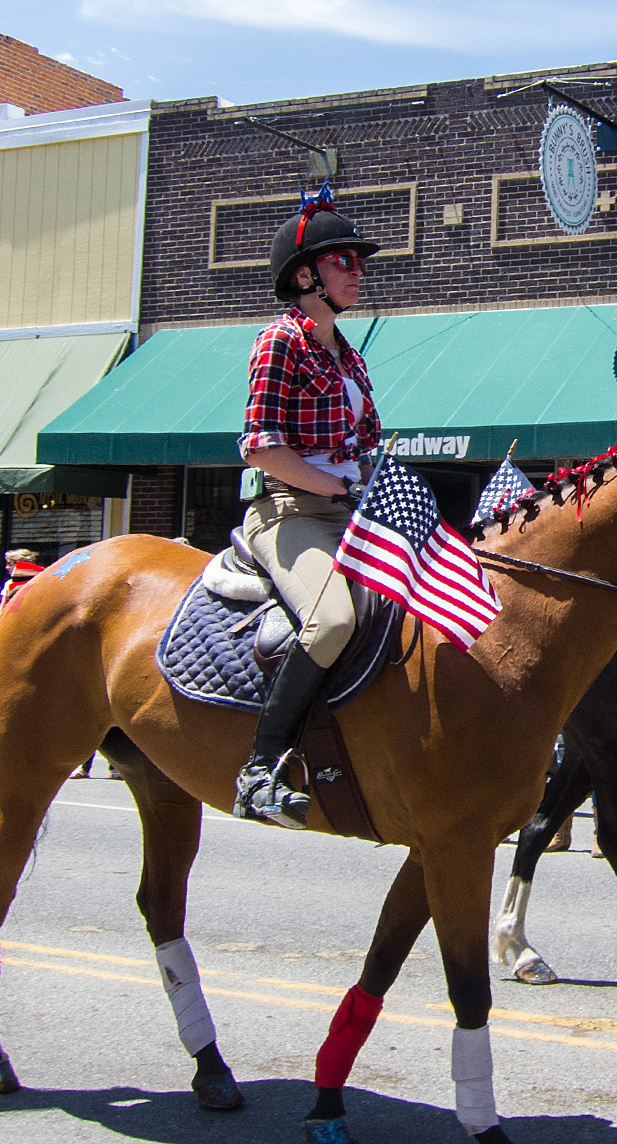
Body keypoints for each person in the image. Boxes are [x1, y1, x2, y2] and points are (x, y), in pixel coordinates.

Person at [233, 187, 382, 827]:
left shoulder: (350, 355)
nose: (357, 270)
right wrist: (337, 489)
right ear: (304, 275)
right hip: (290, 512)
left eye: (356, 259)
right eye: (342, 260)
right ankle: (259, 769)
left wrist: (380, 483)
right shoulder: (279, 341)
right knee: (331, 623)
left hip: (355, 510)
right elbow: (262, 449)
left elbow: (366, 444)